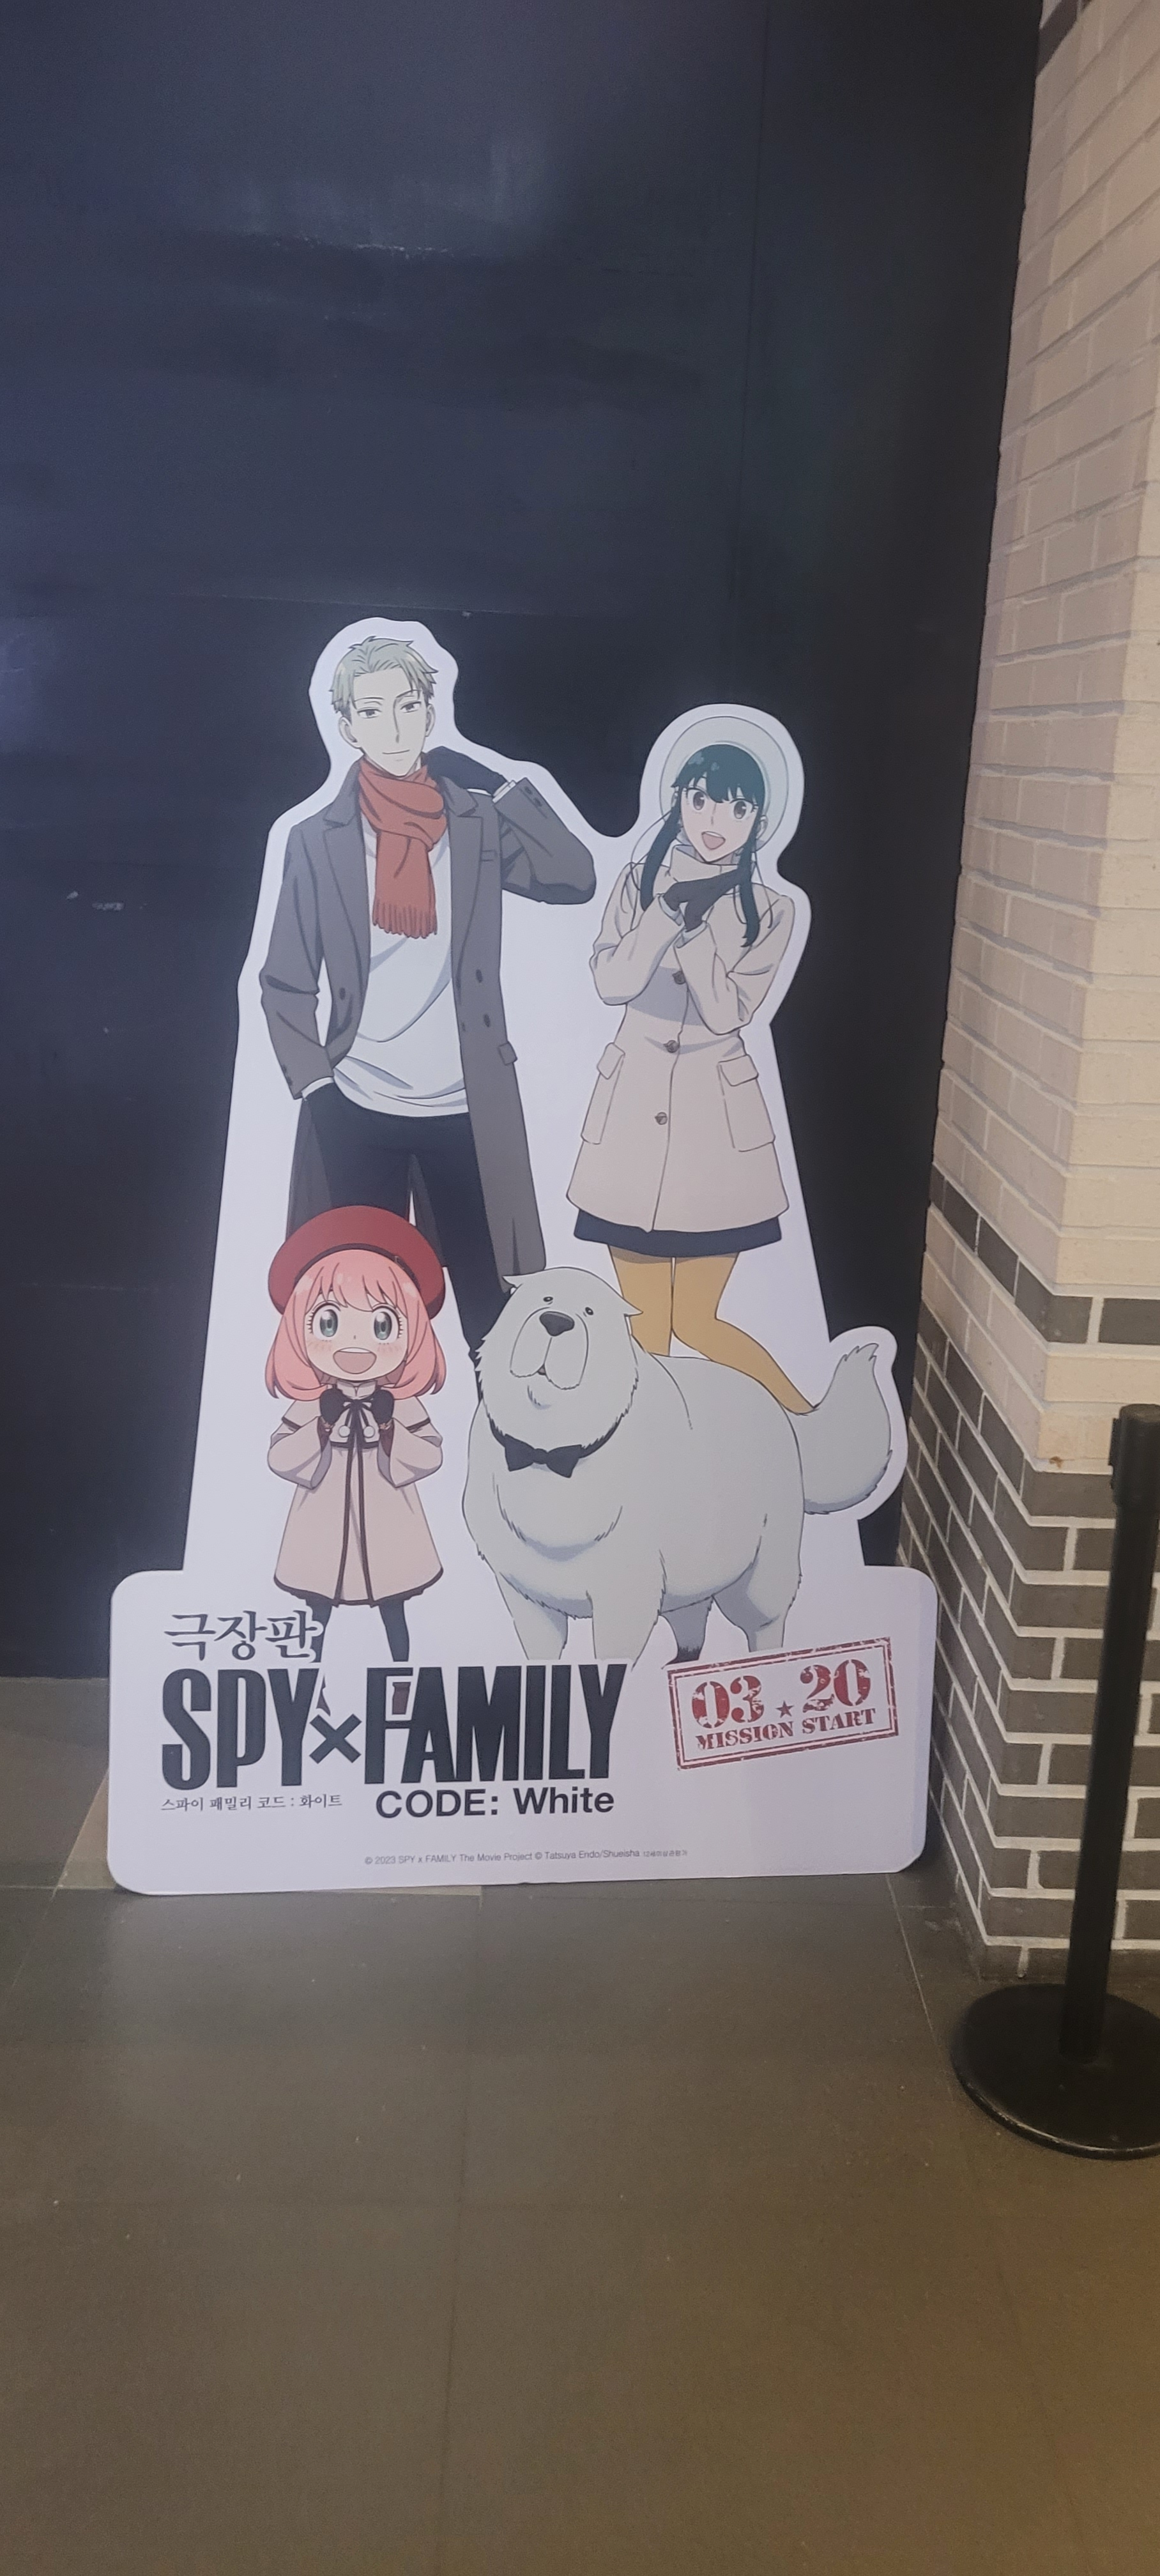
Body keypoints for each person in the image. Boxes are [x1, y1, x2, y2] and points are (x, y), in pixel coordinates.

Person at [260, 634, 595, 1357]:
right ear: (347, 726)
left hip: (467, 1106)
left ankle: (505, 1429)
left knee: (494, 1318)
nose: (393, 727)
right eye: (372, 711)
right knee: (361, 1320)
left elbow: (573, 877)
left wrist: (501, 784)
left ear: (429, 712)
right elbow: (284, 980)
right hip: (356, 1106)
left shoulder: (474, 823)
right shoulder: (318, 840)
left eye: (407, 706)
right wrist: (319, 1092)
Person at [567, 718, 811, 1411]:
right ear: (677, 800)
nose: (714, 822)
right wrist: (660, 917)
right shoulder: (636, 885)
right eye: (701, 800)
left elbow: (731, 1011)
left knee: (697, 1321)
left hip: (715, 1131)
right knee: (646, 1328)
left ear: (759, 820)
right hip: (630, 1126)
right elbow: (611, 981)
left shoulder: (772, 910)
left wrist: (696, 933)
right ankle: (657, 1451)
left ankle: (804, 1419)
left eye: (737, 808)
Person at [265, 1206, 446, 1660]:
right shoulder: (311, 1401)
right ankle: (307, 1683)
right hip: (322, 1518)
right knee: (316, 1612)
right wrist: (322, 1426)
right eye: (329, 1323)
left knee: (394, 1609)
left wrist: (388, 1428)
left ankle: (401, 1682)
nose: (354, 1344)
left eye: (382, 1325)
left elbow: (430, 1456)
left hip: (389, 1520)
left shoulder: (403, 1402)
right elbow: (279, 1458)